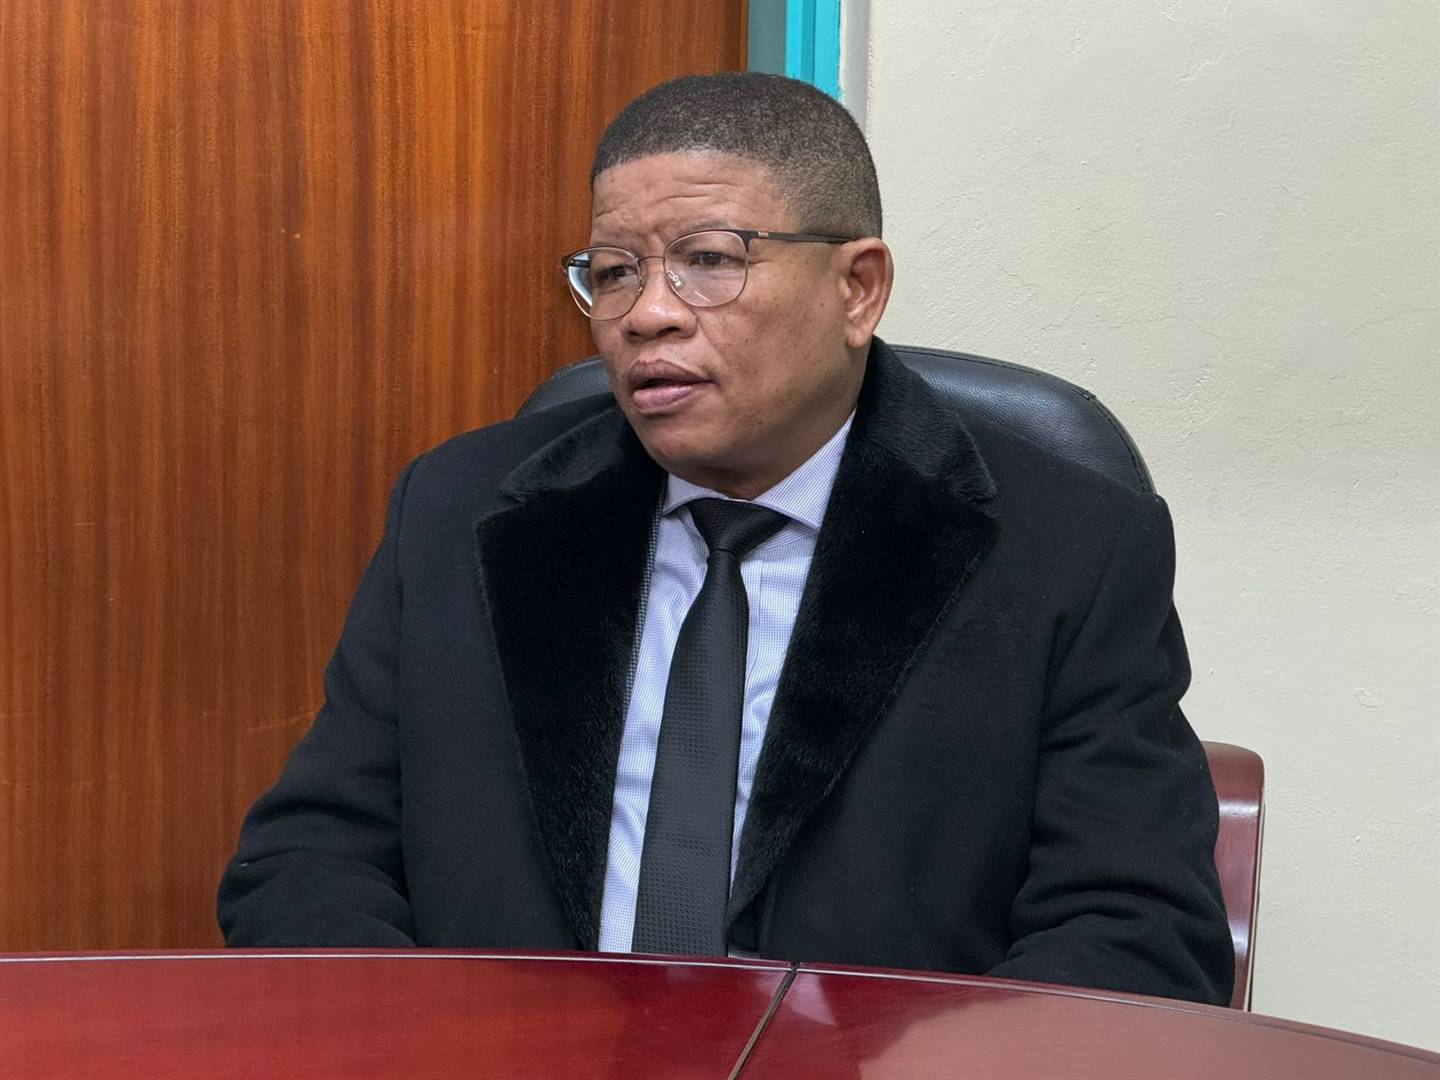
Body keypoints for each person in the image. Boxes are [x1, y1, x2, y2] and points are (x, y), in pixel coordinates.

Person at [218, 72, 1234, 1006]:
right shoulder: (460, 512)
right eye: (614, 271)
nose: (647, 315)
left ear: (857, 288)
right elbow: (308, 858)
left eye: (709, 261)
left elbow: (1136, 929)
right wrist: (421, 1044)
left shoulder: (1068, 549)